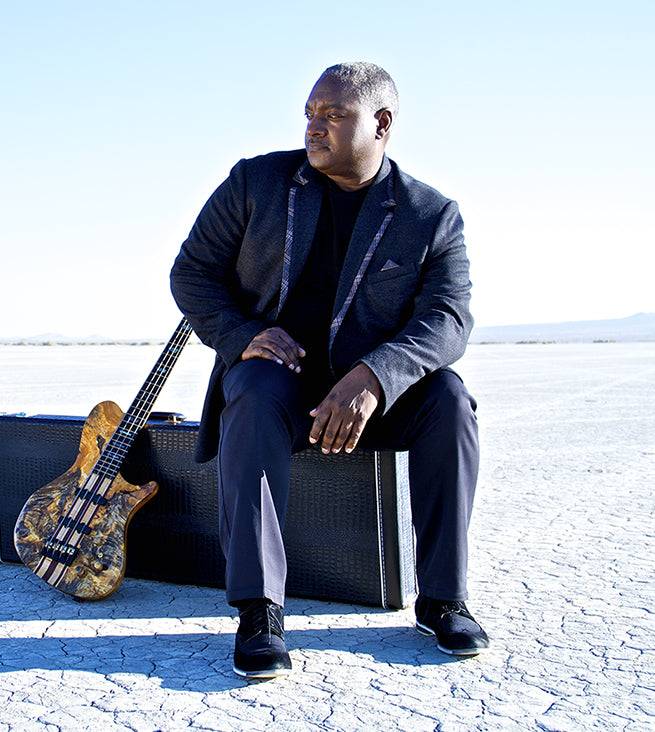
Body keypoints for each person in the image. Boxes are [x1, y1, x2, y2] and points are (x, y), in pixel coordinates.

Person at [170, 62, 489, 679]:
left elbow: (449, 319)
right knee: (254, 390)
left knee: (449, 399)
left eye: (335, 115)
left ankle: (443, 599)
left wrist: (374, 377)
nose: (315, 126)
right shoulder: (255, 183)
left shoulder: (430, 215)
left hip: (374, 395)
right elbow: (192, 273)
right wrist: (244, 336)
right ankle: (260, 610)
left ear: (382, 124)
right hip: (279, 381)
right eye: (311, 112)